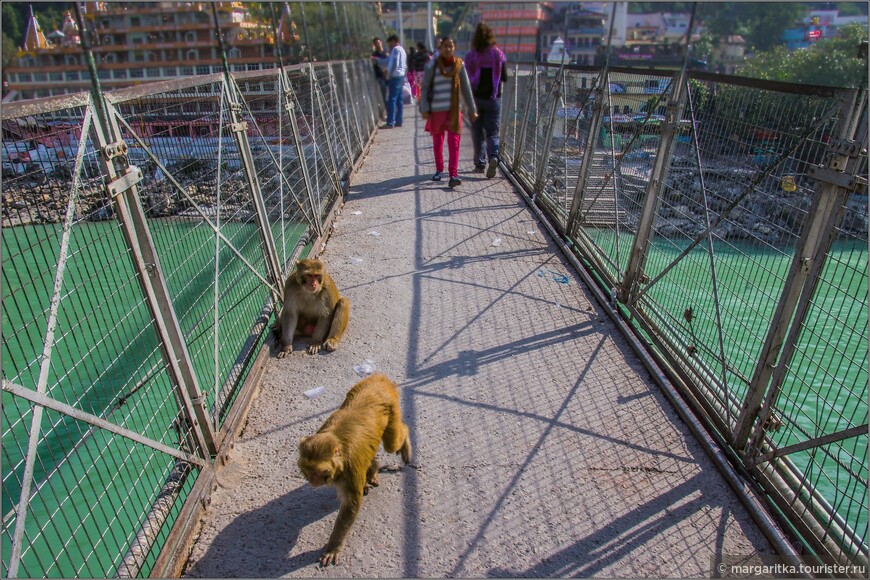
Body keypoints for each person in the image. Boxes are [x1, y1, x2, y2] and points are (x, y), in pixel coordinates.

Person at [419, 36, 478, 188]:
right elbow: (425, 87)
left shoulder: (459, 65)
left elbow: (466, 89)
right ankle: (439, 169)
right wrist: (425, 107)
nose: (448, 49)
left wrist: (472, 109)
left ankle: (453, 174)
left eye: (451, 46)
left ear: (454, 48)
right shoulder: (432, 66)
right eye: (445, 46)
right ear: (440, 49)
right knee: (438, 142)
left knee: (454, 142)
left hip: (453, 110)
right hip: (437, 111)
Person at [464, 23, 507, 179]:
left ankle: (480, 164)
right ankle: (493, 157)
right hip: (493, 99)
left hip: (475, 99)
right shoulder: (498, 55)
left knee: (477, 133)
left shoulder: (470, 56)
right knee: (492, 133)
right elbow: (504, 77)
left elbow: (466, 79)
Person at [371, 34, 407, 128]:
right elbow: (387, 61)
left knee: (392, 99)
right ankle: (399, 121)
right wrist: (377, 59)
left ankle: (390, 122)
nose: (389, 46)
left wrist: (388, 72)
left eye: (390, 43)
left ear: (394, 41)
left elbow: (394, 62)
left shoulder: (395, 50)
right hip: (400, 75)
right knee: (399, 99)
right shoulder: (402, 50)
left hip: (394, 76)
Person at [371, 37, 388, 109]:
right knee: (384, 90)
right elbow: (375, 67)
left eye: (378, 42)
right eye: (376, 43)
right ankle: (388, 109)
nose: (377, 44)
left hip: (389, 75)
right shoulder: (374, 55)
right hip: (380, 76)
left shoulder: (387, 52)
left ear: (381, 43)